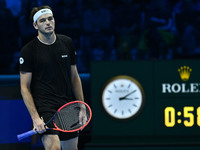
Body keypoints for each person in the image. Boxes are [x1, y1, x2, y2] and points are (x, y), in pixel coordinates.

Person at [19, 5, 84, 150]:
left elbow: (75, 77)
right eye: (42, 21)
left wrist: (81, 106)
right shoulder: (28, 51)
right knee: (53, 148)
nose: (48, 23)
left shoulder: (67, 42)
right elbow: (24, 87)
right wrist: (35, 118)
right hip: (45, 107)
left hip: (67, 105)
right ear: (35, 25)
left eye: (50, 19)